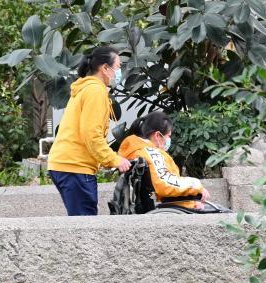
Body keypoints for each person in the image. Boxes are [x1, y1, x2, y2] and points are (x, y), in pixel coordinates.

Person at [47, 46, 131, 216]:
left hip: (68, 164)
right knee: (85, 225)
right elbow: (91, 134)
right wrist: (113, 159)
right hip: (75, 167)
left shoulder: (86, 88)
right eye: (118, 67)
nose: (119, 72)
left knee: (82, 221)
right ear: (105, 68)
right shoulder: (95, 91)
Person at [118, 111, 210, 210]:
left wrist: (191, 203)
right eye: (168, 136)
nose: (169, 139)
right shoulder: (151, 153)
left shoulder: (136, 150)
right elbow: (165, 184)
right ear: (157, 135)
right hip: (167, 209)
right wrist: (196, 186)